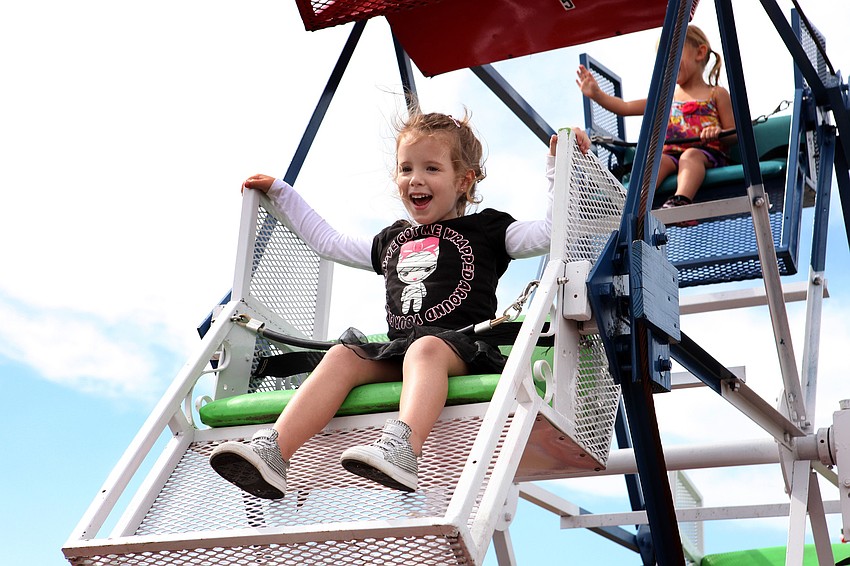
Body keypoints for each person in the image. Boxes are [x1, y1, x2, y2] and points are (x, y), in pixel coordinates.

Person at [209, 109, 590, 499]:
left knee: (426, 348)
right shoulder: (393, 239)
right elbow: (329, 243)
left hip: (461, 348)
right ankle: (275, 451)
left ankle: (403, 449)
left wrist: (558, 166)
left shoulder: (488, 229)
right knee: (343, 355)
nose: (416, 179)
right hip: (401, 352)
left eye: (431, 168)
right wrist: (282, 193)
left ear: (464, 180)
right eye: (406, 168)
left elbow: (548, 232)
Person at [576, 25, 735, 222]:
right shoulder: (666, 98)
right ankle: (634, 206)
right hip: (671, 155)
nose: (669, 63)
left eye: (674, 54)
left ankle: (681, 202)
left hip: (707, 155)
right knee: (656, 161)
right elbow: (625, 107)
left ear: (700, 53)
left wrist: (717, 131)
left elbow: (734, 134)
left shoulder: (716, 93)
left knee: (690, 155)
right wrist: (597, 95)